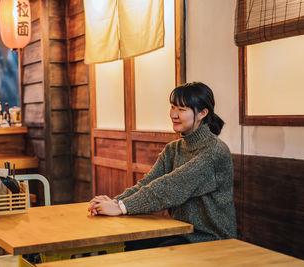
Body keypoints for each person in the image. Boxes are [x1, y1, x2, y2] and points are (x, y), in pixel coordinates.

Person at [88, 82, 237, 250]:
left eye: (181, 109)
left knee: (140, 254)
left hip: (211, 238)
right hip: (180, 231)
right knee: (127, 244)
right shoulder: (174, 149)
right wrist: (116, 201)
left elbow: (171, 186)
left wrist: (121, 207)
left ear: (203, 113)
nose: (173, 114)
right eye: (173, 107)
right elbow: (148, 183)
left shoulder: (214, 152)